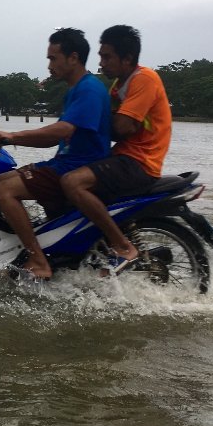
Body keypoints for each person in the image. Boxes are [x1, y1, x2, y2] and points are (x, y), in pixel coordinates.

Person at [0, 28, 111, 279]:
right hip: (64, 163)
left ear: (73, 58)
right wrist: (9, 139)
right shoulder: (75, 90)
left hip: (76, 167)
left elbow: (62, 130)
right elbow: (54, 139)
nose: (49, 65)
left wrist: (12, 136)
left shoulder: (88, 89)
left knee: (4, 190)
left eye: (53, 58)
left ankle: (37, 259)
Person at [60, 25, 172, 272]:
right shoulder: (117, 86)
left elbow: (122, 126)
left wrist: (87, 120)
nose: (101, 63)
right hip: (122, 156)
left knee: (72, 182)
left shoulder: (144, 79)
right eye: (100, 56)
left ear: (127, 58)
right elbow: (110, 123)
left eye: (107, 57)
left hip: (140, 162)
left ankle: (122, 246)